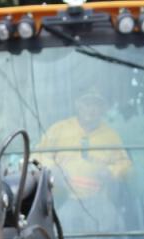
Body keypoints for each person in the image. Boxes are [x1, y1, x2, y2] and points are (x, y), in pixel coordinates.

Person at [35, 84, 131, 228]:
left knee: (117, 231)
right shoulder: (59, 129)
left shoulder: (111, 136)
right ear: (77, 105)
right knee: (59, 236)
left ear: (102, 109)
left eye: (96, 104)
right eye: (87, 103)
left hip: (100, 203)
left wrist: (110, 171)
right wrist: (54, 170)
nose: (91, 109)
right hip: (63, 201)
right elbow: (37, 156)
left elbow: (126, 165)